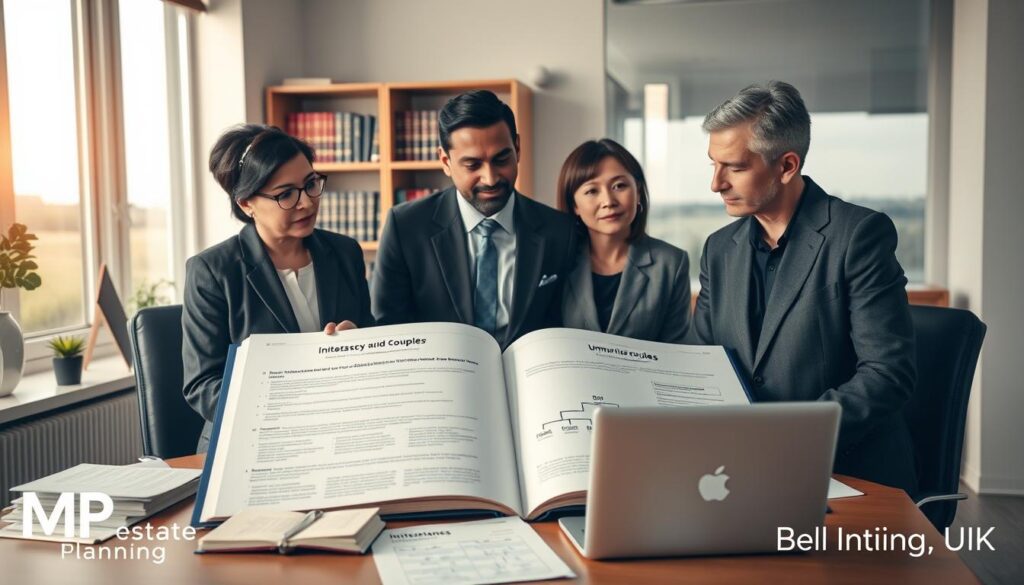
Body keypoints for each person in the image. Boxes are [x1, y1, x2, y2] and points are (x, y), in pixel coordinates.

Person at [690, 81, 918, 493]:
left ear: (787, 165)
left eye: (735, 168)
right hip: (736, 475)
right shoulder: (718, 249)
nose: (716, 184)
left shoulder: (859, 235)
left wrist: (783, 442)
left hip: (848, 473)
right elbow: (702, 367)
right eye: (714, 165)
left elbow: (888, 374)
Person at [183, 124, 373, 453]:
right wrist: (287, 412)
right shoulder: (212, 271)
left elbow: (373, 336)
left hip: (338, 434)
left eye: (311, 184)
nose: (306, 203)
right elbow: (203, 385)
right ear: (246, 204)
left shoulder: (345, 253)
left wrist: (360, 340)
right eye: (286, 194)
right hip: (250, 442)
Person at [371, 90, 576, 349]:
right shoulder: (406, 227)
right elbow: (387, 329)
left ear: (518, 149)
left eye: (502, 159)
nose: (490, 178)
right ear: (446, 161)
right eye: (472, 165)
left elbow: (566, 328)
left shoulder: (560, 230)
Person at [556, 139, 691, 342]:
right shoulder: (556, 260)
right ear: (574, 205)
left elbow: (678, 350)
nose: (608, 202)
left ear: (637, 191)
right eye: (592, 191)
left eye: (619, 186)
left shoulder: (671, 263)